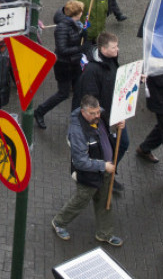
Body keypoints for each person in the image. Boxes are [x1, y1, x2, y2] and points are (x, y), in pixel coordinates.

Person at [51, 94, 124, 247]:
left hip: (105, 170)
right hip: (90, 174)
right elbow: (81, 162)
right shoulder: (77, 132)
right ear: (83, 112)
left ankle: (104, 233)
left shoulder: (99, 115)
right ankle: (59, 222)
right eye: (93, 113)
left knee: (105, 200)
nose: (97, 115)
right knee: (81, 200)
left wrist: (118, 124)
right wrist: (103, 166)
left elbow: (108, 128)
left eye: (98, 112)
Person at [76, 32, 128, 188]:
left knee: (122, 143)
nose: (117, 49)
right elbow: (91, 100)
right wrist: (106, 117)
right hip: (104, 118)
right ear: (104, 49)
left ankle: (108, 172)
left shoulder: (111, 60)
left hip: (114, 112)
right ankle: (105, 174)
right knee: (115, 145)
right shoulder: (92, 71)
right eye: (114, 47)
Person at [34, 0, 86, 129]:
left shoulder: (74, 24)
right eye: (81, 12)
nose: (82, 14)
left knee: (79, 90)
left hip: (75, 63)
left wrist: (83, 34)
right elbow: (62, 49)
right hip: (64, 66)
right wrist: (80, 49)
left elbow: (74, 39)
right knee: (63, 93)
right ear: (77, 13)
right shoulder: (62, 28)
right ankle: (39, 111)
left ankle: (76, 118)